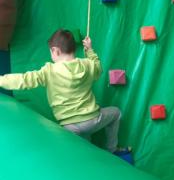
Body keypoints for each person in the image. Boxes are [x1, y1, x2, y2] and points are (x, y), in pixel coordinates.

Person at [0, 29, 130, 156]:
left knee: (82, 151)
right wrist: (90, 50)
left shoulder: (49, 71)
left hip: (69, 128)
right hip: (91, 121)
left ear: (55, 50)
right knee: (116, 113)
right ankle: (112, 149)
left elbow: (24, 80)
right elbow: (98, 68)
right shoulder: (87, 65)